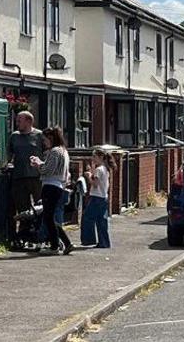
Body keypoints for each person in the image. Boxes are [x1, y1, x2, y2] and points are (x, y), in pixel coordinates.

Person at [6, 108, 44, 245]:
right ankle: (24, 236)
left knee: (40, 207)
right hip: (19, 177)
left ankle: (40, 235)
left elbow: (47, 154)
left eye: (19, 120)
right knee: (23, 209)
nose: (17, 123)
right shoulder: (14, 136)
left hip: (36, 177)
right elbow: (8, 154)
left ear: (29, 121)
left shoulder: (39, 136)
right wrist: (6, 163)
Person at [36, 127, 75, 255]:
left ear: (51, 138)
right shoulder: (64, 151)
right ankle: (66, 243)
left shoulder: (54, 151)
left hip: (50, 186)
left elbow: (47, 170)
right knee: (49, 217)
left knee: (48, 217)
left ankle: (55, 246)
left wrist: (38, 164)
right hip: (58, 186)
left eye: (45, 139)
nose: (44, 142)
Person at [78, 153, 112, 249]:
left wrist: (88, 176)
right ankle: (104, 242)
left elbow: (95, 184)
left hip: (96, 197)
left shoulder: (99, 169)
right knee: (101, 221)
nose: (93, 159)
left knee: (87, 218)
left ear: (100, 157)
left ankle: (88, 240)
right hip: (103, 197)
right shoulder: (105, 169)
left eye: (94, 156)